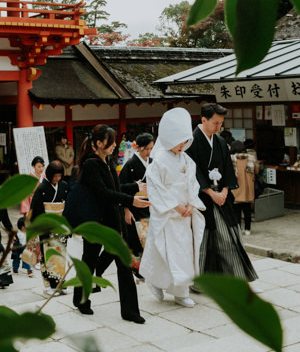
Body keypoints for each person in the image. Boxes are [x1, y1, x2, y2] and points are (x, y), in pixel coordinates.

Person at [69, 124, 151, 324]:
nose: (115, 145)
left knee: (124, 264)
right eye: (111, 142)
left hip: (113, 220)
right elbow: (102, 192)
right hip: (96, 222)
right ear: (98, 143)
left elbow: (114, 187)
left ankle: (130, 311)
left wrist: (133, 187)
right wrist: (131, 200)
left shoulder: (108, 161)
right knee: (89, 260)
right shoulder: (90, 165)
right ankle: (81, 299)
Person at [140, 108, 206, 307]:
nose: (182, 145)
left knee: (184, 254)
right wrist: (175, 206)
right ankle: (156, 282)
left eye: (185, 141)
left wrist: (191, 204)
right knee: (165, 252)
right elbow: (156, 188)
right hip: (168, 215)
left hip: (184, 215)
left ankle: (181, 291)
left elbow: (193, 184)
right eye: (179, 141)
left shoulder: (187, 160)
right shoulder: (158, 160)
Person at [186, 103, 258, 283]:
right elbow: (193, 171)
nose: (219, 127)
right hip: (202, 197)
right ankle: (201, 281)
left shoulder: (219, 142)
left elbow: (227, 167)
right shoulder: (191, 142)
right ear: (203, 120)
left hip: (222, 196)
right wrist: (211, 193)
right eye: (215, 123)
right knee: (203, 240)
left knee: (231, 235)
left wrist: (225, 190)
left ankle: (235, 278)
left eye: (221, 123)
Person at [29, 160, 70, 296]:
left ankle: (60, 283)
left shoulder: (64, 186)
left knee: (60, 255)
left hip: (60, 226)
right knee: (48, 256)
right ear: (49, 174)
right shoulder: (41, 189)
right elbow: (35, 209)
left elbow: (68, 205)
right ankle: (48, 285)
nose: (57, 179)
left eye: (59, 176)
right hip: (46, 226)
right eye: (55, 176)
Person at [117, 133, 154, 269]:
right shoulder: (130, 164)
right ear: (138, 148)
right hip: (134, 207)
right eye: (146, 149)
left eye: (151, 148)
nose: (149, 152)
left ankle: (148, 269)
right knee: (137, 240)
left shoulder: (152, 162)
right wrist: (126, 210)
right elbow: (120, 189)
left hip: (151, 205)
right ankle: (137, 270)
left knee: (150, 240)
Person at [230, 139, 261, 235]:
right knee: (247, 211)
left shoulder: (231, 159)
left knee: (237, 211)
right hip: (248, 188)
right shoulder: (251, 158)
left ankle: (238, 229)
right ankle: (247, 230)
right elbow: (256, 171)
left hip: (236, 188)